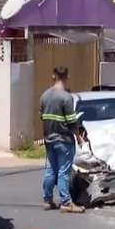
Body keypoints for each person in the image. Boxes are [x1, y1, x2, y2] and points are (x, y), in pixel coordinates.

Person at [39, 66, 85, 213]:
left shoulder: (44, 96)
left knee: (51, 170)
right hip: (64, 140)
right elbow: (72, 122)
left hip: (49, 140)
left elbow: (41, 116)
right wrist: (78, 137)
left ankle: (48, 200)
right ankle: (66, 202)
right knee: (64, 172)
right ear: (66, 77)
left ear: (54, 76)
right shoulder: (66, 97)